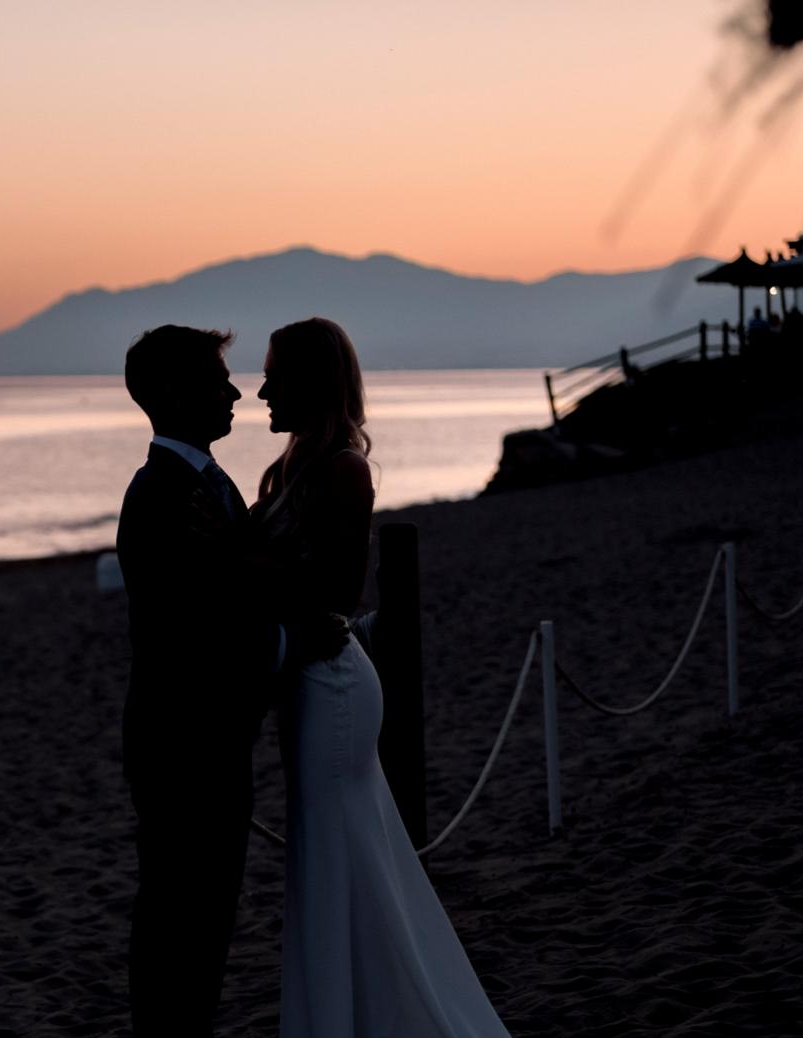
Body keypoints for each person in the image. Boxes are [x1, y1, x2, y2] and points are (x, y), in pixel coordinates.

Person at [253, 317, 510, 1037]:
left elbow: (336, 590)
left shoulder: (343, 468)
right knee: (335, 858)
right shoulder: (294, 467)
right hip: (308, 687)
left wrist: (250, 566)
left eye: (276, 374)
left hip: (333, 690)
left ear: (311, 382)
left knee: (341, 860)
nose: (263, 389)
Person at [114, 325, 346, 1034]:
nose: (237, 391)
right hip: (185, 745)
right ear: (178, 394)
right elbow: (200, 638)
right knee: (182, 927)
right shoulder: (164, 497)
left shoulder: (207, 488)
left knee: (204, 925)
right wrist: (294, 642)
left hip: (209, 741)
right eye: (220, 381)